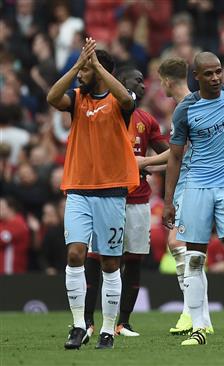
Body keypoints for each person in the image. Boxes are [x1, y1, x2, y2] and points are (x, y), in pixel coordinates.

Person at [162, 52, 224, 346]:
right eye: (209, 74)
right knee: (194, 257)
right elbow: (176, 157)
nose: (216, 78)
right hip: (196, 188)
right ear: (197, 77)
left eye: (219, 72)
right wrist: (168, 201)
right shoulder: (186, 110)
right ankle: (200, 326)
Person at [47, 38, 139, 350]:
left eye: (84, 71)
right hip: (78, 188)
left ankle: (109, 329)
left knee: (110, 263)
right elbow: (51, 96)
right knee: (75, 254)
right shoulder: (76, 99)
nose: (80, 76)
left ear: (100, 71)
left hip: (112, 191)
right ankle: (77, 325)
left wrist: (96, 65)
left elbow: (127, 99)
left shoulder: (117, 102)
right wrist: (76, 64)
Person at [82, 67, 169, 338]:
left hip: (137, 200)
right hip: (105, 197)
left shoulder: (147, 120)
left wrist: (147, 164)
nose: (144, 86)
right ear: (120, 83)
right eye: (138, 81)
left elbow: (170, 155)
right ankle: (87, 321)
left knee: (132, 260)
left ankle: (124, 323)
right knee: (97, 259)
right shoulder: (101, 113)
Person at [138, 57, 214, 336]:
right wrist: (150, 166)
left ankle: (193, 313)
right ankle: (197, 314)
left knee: (178, 243)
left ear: (167, 81)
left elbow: (177, 152)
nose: (160, 87)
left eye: (160, 81)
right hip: (189, 181)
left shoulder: (187, 106)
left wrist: (143, 163)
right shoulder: (191, 102)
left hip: (195, 183)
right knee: (186, 248)